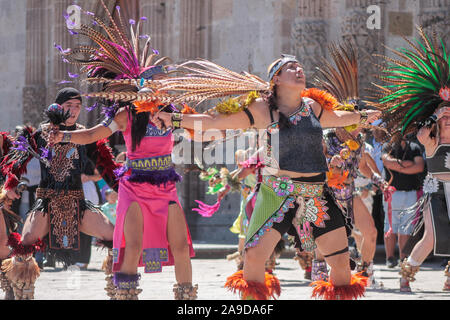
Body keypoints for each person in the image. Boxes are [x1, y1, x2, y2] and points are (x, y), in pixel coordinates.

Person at [152, 54, 380, 299]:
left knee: (342, 268)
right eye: (291, 68)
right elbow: (214, 120)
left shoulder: (313, 106)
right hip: (276, 194)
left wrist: (364, 117)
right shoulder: (263, 109)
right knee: (253, 259)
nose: (299, 69)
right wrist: (175, 119)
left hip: (315, 194)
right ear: (277, 79)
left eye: (300, 66)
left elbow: (338, 117)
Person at [49, 3, 196, 300]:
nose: (161, 86)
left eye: (163, 82)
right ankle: (127, 295)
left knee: (180, 247)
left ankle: (186, 300)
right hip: (136, 187)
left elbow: (202, 128)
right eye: (155, 82)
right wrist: (62, 136)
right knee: (135, 245)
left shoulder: (173, 114)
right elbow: (91, 134)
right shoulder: (125, 116)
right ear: (141, 86)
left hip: (166, 185)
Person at [0, 88, 116, 300]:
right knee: (25, 244)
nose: (73, 111)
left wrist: (123, 186)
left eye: (78, 106)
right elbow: (16, 161)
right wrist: (10, 185)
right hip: (46, 201)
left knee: (115, 237)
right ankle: (15, 287)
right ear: (57, 107)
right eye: (69, 106)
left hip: (78, 202)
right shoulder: (40, 134)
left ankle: (122, 290)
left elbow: (107, 166)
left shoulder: (86, 135)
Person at [372, 26, 449, 292]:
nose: (448, 119)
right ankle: (406, 274)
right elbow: (420, 131)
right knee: (430, 236)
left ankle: (449, 279)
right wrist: (434, 115)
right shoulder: (430, 139)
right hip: (437, 192)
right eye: (445, 116)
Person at [381, 136, 425, 268]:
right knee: (390, 225)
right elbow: (387, 162)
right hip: (392, 192)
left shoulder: (414, 147)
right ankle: (390, 257)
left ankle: (403, 257)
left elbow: (419, 167)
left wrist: (398, 167)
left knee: (406, 227)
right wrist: (407, 164)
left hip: (410, 192)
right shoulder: (387, 146)